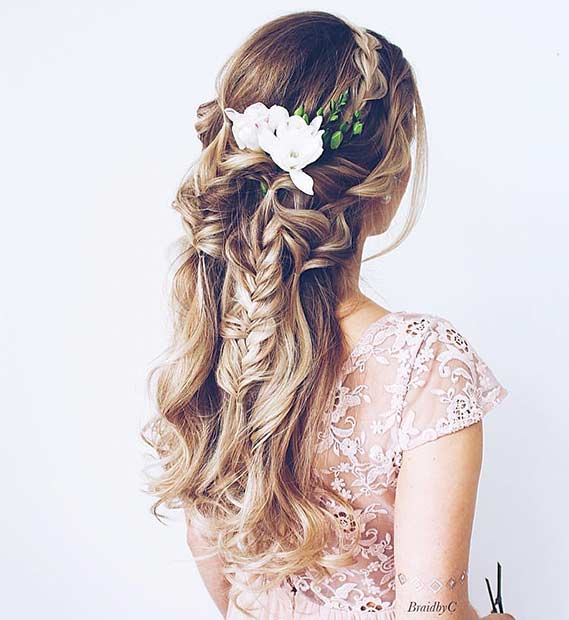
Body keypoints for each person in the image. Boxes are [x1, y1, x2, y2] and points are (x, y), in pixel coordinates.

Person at [141, 10, 515, 620]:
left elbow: (217, 569)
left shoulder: (221, 340)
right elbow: (432, 614)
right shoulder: (424, 361)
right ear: (384, 179)